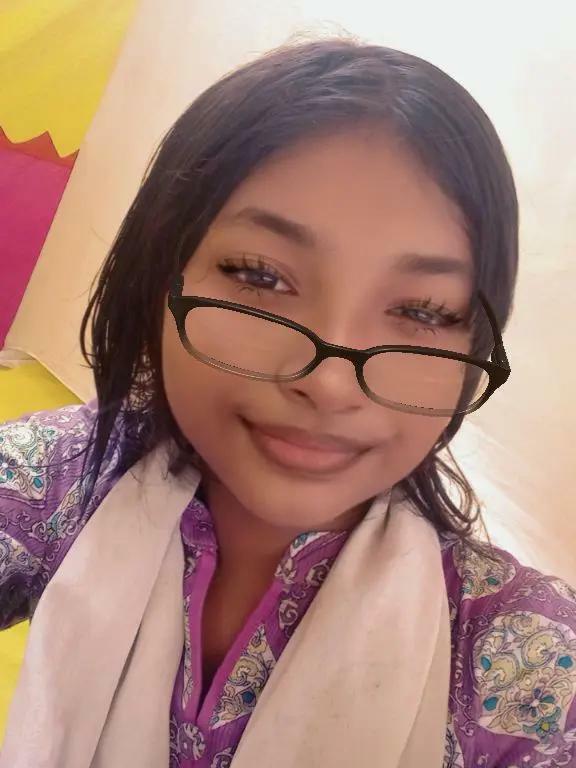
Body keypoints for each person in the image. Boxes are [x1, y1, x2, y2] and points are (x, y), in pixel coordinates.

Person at [1, 36, 575, 768]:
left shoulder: (524, 661)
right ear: (158, 276)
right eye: (260, 276)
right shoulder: (66, 482)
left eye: (424, 311)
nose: (330, 383)